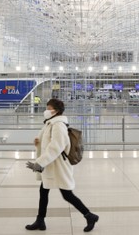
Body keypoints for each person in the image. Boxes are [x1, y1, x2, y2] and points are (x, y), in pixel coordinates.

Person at [25, 98, 99, 232]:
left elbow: (56, 146)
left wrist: (39, 163)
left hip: (57, 166)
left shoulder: (58, 125)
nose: (46, 111)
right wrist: (39, 141)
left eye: (48, 108)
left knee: (67, 194)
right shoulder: (51, 123)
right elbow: (49, 142)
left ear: (56, 111)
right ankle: (40, 220)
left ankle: (89, 215)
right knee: (43, 191)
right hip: (50, 165)